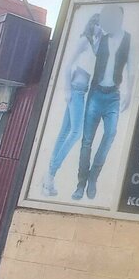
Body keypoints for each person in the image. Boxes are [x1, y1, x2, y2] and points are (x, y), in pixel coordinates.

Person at [75, 5, 135, 201]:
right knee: (87, 141)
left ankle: (93, 178)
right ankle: (81, 183)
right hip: (96, 93)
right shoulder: (102, 37)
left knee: (110, 135)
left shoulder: (128, 40)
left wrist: (129, 92)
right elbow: (89, 54)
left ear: (121, 18)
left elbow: (131, 68)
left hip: (113, 96)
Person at [42, 13, 101, 197]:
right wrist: (67, 89)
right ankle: (51, 172)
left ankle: (48, 178)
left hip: (81, 91)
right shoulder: (84, 40)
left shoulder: (94, 43)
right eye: (99, 25)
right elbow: (67, 66)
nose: (101, 28)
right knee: (76, 132)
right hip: (75, 90)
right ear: (93, 24)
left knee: (64, 132)